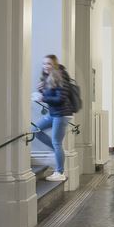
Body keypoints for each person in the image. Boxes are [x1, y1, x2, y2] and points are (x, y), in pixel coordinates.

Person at [32, 54, 73, 182]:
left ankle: (60, 172)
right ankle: (57, 151)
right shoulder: (46, 77)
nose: (46, 66)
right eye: (44, 63)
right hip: (54, 113)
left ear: (54, 65)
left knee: (57, 142)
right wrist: (42, 90)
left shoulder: (60, 76)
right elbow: (51, 95)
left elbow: (60, 98)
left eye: (49, 63)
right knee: (36, 130)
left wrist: (43, 98)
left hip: (62, 114)